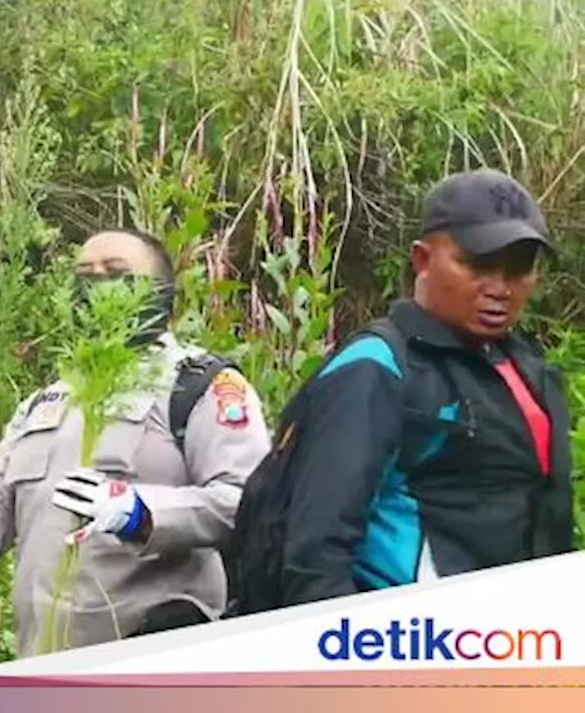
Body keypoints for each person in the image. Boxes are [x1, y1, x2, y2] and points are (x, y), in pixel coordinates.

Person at [225, 168, 576, 616]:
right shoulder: (376, 366)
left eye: (519, 269)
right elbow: (316, 549)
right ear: (423, 259)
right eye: (478, 264)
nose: (500, 289)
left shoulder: (523, 365)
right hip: (411, 650)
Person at [0, 228, 273, 658]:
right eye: (84, 274)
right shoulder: (43, 402)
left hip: (154, 662)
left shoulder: (200, 387)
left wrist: (142, 513)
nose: (97, 285)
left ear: (160, 291)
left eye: (116, 272)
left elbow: (249, 503)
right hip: (42, 660)